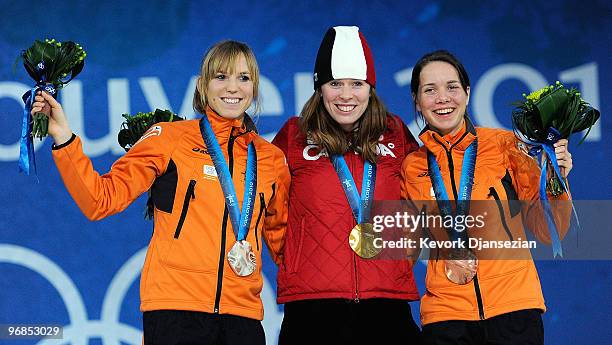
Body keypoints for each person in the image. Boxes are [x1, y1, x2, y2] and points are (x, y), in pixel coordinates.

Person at [31, 40, 290, 345]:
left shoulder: (271, 160)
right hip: (175, 313)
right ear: (203, 85)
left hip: (242, 318)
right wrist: (63, 138)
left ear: (255, 87)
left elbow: (286, 246)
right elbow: (100, 200)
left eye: (243, 78)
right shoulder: (169, 139)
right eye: (221, 77)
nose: (232, 87)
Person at [400, 50, 573, 345]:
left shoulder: (505, 145)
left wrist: (557, 181)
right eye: (430, 90)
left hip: (514, 308)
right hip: (446, 316)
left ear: (467, 94)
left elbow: (549, 231)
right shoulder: (412, 166)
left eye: (452, 87)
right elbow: (407, 249)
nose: (443, 98)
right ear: (417, 101)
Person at [272, 26, 421, 344]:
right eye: (335, 83)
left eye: (357, 83)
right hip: (311, 308)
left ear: (371, 88)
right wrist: (293, 257)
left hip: (387, 304)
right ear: (319, 87)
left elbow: (420, 200)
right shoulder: (294, 135)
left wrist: (399, 257)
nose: (346, 95)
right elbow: (270, 208)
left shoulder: (395, 132)